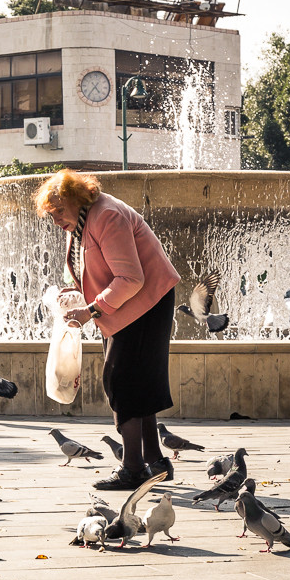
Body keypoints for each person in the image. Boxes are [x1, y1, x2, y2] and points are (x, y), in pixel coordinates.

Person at [34, 169, 181, 490]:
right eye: (51, 213)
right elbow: (95, 269)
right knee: (136, 381)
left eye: (59, 210)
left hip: (145, 302)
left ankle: (134, 469)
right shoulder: (83, 219)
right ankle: (155, 462)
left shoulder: (107, 215)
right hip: (128, 304)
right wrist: (73, 293)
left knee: (121, 381)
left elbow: (131, 278)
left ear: (78, 198)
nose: (56, 218)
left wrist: (91, 310)